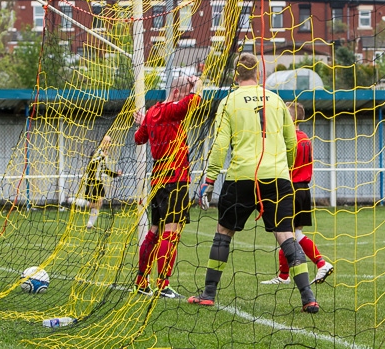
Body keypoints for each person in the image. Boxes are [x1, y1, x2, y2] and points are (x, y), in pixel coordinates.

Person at [188, 53, 319, 314]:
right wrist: (286, 170)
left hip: (242, 176)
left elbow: (220, 145)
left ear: (236, 75)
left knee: (223, 232)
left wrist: (210, 179)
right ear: (258, 73)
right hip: (278, 177)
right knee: (286, 235)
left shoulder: (229, 102)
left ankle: (209, 294)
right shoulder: (277, 100)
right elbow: (292, 143)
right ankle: (309, 298)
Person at [133, 74, 202, 299]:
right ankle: (163, 285)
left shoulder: (153, 112)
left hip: (158, 179)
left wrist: (144, 121)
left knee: (155, 231)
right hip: (175, 179)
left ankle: (141, 282)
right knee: (171, 232)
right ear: (175, 93)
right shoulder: (172, 109)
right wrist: (198, 84)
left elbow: (138, 138)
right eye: (183, 93)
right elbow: (193, 101)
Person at [261, 102, 334, 286]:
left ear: (290, 118)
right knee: (290, 232)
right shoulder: (305, 138)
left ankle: (321, 263)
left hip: (290, 189)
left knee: (288, 233)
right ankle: (283, 276)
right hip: (304, 190)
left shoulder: (288, 139)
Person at [83, 135, 122, 229]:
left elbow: (104, 169)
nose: (108, 143)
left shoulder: (104, 153)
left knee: (98, 203)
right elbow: (92, 165)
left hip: (98, 182)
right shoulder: (97, 153)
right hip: (92, 181)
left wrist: (116, 174)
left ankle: (89, 224)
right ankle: (73, 201)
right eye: (106, 141)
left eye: (109, 141)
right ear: (102, 142)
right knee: (95, 204)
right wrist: (101, 157)